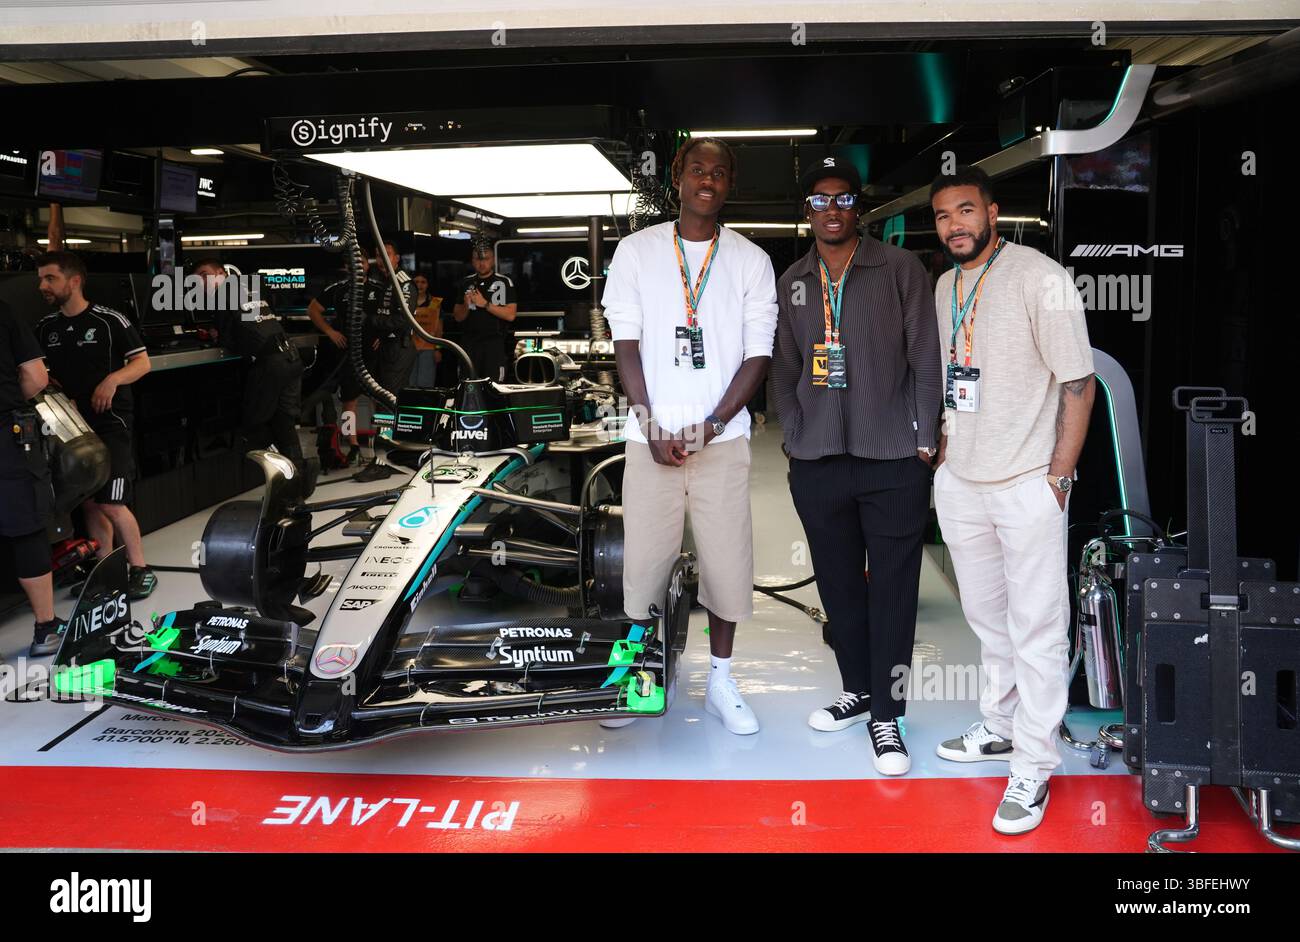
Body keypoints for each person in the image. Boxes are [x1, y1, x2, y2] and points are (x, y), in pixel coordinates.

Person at [928, 165, 1095, 834]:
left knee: (1036, 628)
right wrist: (945, 455)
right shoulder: (945, 286)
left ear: (992, 211)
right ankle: (999, 726)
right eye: (943, 216)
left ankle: (1033, 762)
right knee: (987, 619)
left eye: (965, 210)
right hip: (963, 480)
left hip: (1028, 481)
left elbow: (1078, 384)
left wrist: (1058, 476)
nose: (955, 226)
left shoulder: (1041, 278)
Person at [769, 156, 942, 774]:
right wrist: (793, 435)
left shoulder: (899, 269)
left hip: (893, 454)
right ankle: (857, 689)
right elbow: (784, 369)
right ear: (807, 212)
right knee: (838, 583)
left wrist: (927, 435)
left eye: (842, 199)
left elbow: (925, 355)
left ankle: (888, 715)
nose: (831, 210)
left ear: (859, 209)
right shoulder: (792, 280)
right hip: (817, 459)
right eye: (819, 200)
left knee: (894, 588)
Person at [601, 137, 778, 734]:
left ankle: (721, 684)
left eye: (720, 172)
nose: (708, 179)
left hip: (721, 443)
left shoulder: (751, 260)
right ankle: (639, 679)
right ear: (677, 176)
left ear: (730, 184)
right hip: (648, 439)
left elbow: (758, 355)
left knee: (727, 566)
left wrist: (713, 423)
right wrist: (651, 423)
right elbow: (625, 342)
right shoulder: (636, 252)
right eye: (697, 169)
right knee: (644, 564)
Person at [35, 252, 156, 601]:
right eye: (41, 279)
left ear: (74, 281)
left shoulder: (109, 320)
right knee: (89, 502)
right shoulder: (45, 328)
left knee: (113, 503)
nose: (42, 285)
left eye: (50, 278)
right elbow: (40, 375)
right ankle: (107, 570)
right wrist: (57, 392)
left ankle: (140, 569)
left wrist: (112, 380)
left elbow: (142, 363)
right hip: (71, 430)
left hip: (111, 424)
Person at [192, 258, 308, 481]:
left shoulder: (222, 295)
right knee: (283, 422)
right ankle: (299, 477)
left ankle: (285, 477)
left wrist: (217, 336)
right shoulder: (246, 288)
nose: (202, 281)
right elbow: (255, 324)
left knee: (253, 426)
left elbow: (229, 339)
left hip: (270, 363)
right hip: (290, 356)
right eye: (198, 278)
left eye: (205, 275)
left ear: (220, 274)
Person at [0, 300, 66, 656]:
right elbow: (37, 377)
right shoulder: (5, 310)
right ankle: (46, 628)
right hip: (5, 433)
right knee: (26, 526)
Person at [304, 259, 367, 465]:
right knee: (346, 401)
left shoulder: (378, 289)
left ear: (367, 265)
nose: (356, 267)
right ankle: (353, 444)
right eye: (352, 264)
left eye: (361, 263)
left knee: (376, 399)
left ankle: (382, 440)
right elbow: (313, 309)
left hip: (371, 352)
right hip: (343, 353)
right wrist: (330, 331)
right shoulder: (339, 289)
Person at [452, 240, 516, 382]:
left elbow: (511, 315)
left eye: (486, 259)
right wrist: (466, 305)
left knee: (494, 386)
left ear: (493, 260)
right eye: (478, 259)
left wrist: (485, 304)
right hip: (469, 343)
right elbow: (458, 317)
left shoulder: (504, 282)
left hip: (494, 343)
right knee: (468, 384)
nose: (482, 263)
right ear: (472, 261)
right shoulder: (465, 283)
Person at [410, 272, 443, 388]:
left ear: (428, 284)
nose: (419, 285)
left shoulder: (434, 302)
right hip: (409, 347)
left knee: (426, 384)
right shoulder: (406, 302)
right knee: (409, 384)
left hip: (429, 347)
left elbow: (439, 327)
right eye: (416, 282)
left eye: (423, 282)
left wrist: (438, 349)